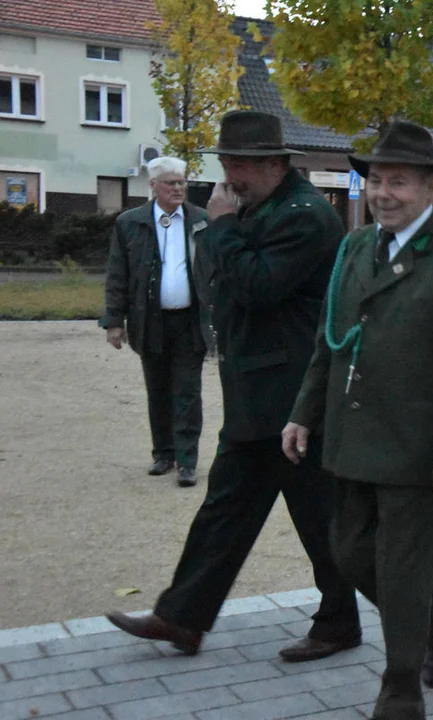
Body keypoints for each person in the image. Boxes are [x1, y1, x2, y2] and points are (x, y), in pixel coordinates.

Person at [106, 110, 360, 663]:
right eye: (226, 162)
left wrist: (220, 228)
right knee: (228, 509)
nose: (229, 175)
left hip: (292, 395)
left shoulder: (305, 216)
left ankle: (416, 616)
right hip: (259, 390)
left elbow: (256, 288)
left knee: (321, 517)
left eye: (240, 163)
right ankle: (182, 618)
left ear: (275, 164)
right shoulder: (261, 206)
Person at [283, 121, 433, 720]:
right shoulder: (355, 247)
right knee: (351, 553)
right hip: (351, 436)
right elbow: (331, 341)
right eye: (376, 180)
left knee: (404, 573)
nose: (383, 193)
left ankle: (400, 689)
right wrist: (304, 411)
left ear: (430, 188)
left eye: (398, 182)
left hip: (415, 446)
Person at [100, 157, 209, 488]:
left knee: (188, 392)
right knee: (158, 390)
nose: (178, 188)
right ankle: (164, 454)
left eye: (182, 182)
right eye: (171, 183)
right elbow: (118, 273)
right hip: (150, 320)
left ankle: (187, 460)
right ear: (153, 186)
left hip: (190, 321)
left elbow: (216, 271)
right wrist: (114, 321)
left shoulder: (202, 221)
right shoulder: (130, 223)